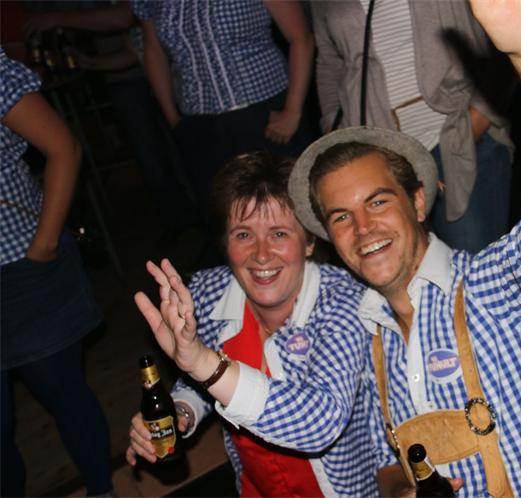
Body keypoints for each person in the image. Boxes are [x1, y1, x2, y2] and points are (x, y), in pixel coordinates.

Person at [288, 0, 521, 496]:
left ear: (418, 202)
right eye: (341, 217)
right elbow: (387, 465)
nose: (363, 227)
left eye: (378, 201)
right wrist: (401, 489)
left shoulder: (493, 288)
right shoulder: (364, 338)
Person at [126, 153, 378, 497]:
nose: (261, 254)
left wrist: (203, 362)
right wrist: (179, 411)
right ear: (225, 244)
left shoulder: (344, 300)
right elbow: (200, 380)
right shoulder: (207, 294)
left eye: (279, 233)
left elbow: (322, 420)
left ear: (309, 242)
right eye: (243, 234)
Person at [310, 0, 517, 253]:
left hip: (453, 138)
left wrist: (480, 116)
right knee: (406, 266)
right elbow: (329, 61)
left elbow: (506, 26)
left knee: (475, 260)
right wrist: (334, 127)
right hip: (376, 154)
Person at [0, 49, 113, 497]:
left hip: (19, 268)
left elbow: (64, 147)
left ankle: (102, 490)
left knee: (63, 393)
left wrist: (43, 248)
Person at [24, 1, 199, 242]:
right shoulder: (143, 31)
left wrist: (57, 18)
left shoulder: (161, 15)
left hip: (182, 88)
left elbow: (124, 20)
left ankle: (201, 222)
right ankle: (186, 222)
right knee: (155, 157)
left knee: (182, 155)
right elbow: (134, 51)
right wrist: (91, 62)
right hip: (142, 82)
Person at [132, 0, 317, 215]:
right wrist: (173, 119)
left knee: (293, 207)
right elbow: (153, 50)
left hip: (265, 114)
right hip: (200, 125)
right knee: (228, 215)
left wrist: (292, 111)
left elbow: (300, 38)